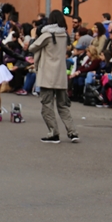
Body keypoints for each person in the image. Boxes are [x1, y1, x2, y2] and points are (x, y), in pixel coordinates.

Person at [28, 10, 79, 143]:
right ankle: (72, 132)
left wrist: (33, 36)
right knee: (63, 105)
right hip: (60, 75)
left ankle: (53, 133)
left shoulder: (47, 35)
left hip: (47, 74)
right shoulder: (64, 35)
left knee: (47, 104)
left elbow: (32, 47)